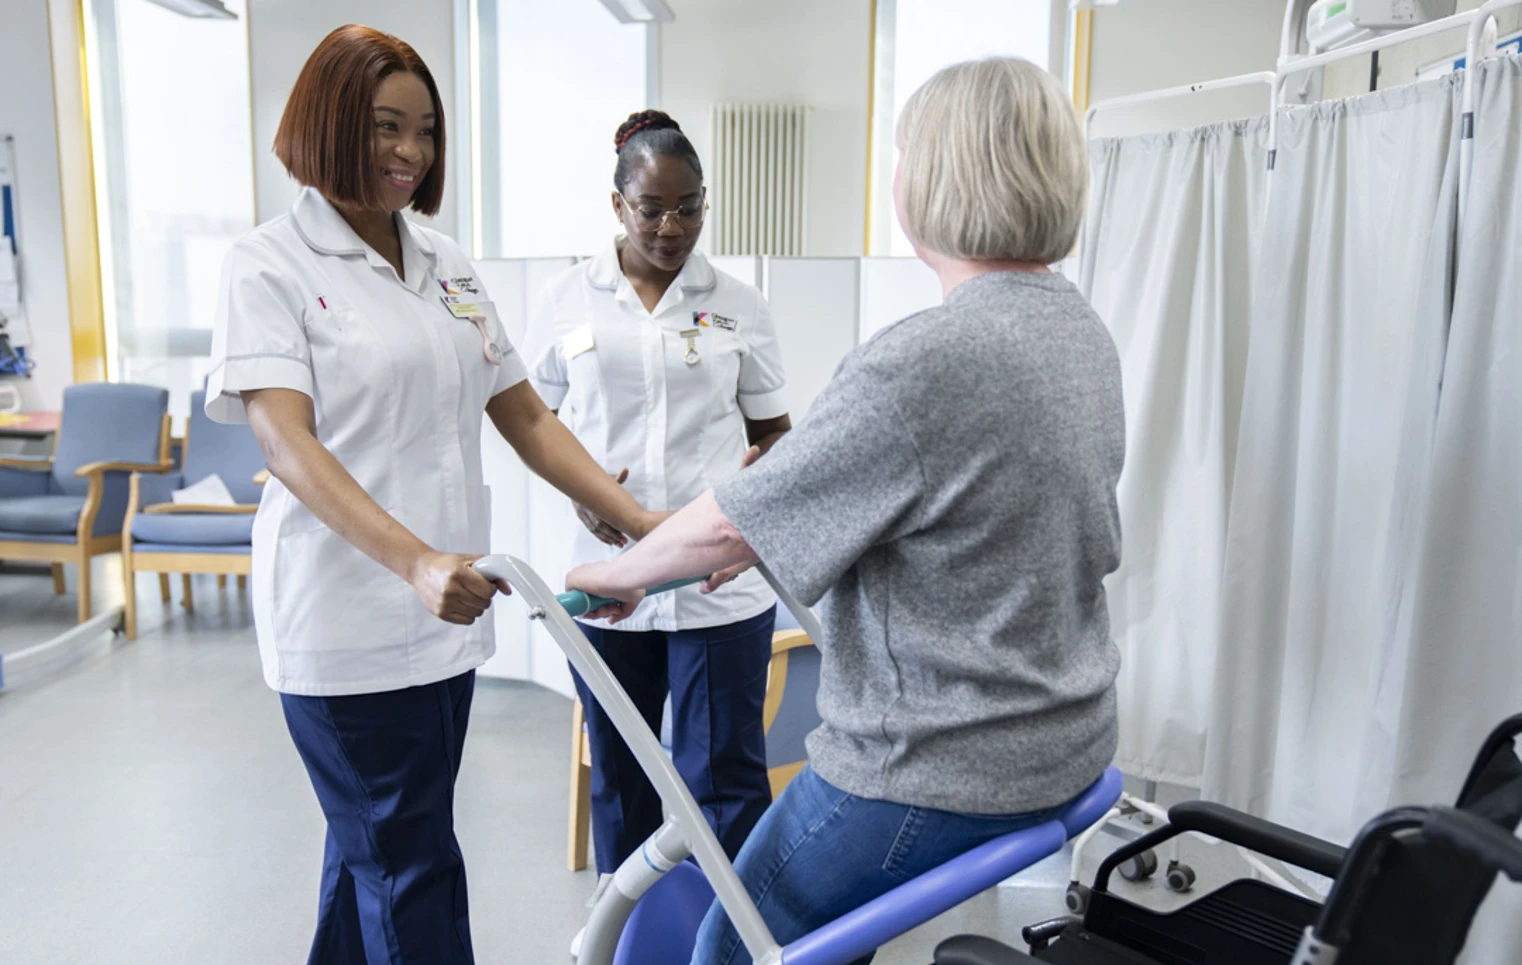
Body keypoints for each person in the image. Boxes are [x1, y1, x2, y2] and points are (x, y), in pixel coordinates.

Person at [566, 57, 1122, 965]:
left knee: (732, 941)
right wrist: (764, 527)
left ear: (937, 179)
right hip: (1062, 739)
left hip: (934, 765)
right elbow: (963, 512)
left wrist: (614, 572)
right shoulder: (1078, 330)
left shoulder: (924, 356)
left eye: (904, 153)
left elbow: (728, 519)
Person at [205, 26, 661, 965]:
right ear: (328, 123)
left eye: (424, 131)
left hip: (445, 613)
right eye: (384, 127)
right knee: (410, 864)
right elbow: (285, 441)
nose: (409, 153)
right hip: (346, 618)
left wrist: (646, 529)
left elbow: (524, 413)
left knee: (370, 848)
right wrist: (414, 560)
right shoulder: (269, 264)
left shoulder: (445, 262)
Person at [522, 110, 792, 905]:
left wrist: (755, 492)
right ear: (617, 205)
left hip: (716, 584)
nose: (671, 226)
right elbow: (532, 420)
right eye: (651, 208)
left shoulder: (739, 302)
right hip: (610, 584)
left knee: (727, 779)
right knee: (622, 768)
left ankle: (732, 938)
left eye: (690, 206)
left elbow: (775, 432)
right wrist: (586, 496)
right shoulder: (567, 296)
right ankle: (631, 934)